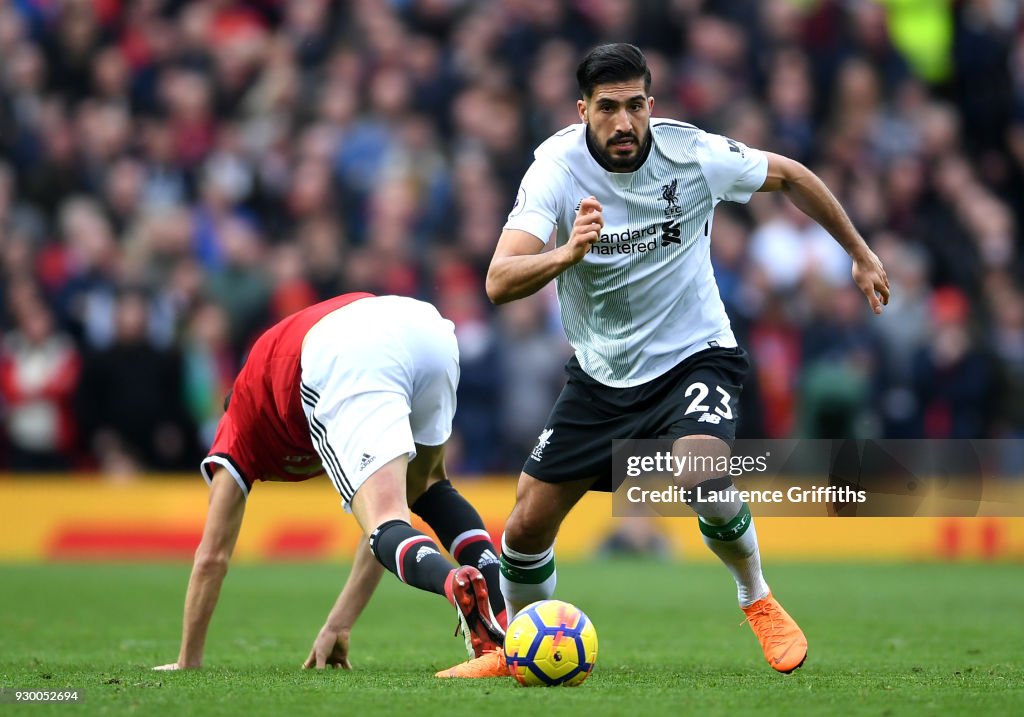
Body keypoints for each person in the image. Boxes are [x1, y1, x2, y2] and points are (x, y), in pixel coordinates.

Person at [468, 44, 890, 677]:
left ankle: (758, 597)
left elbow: (794, 176)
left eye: (635, 106)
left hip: (695, 357)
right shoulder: (554, 169)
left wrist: (859, 253)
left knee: (700, 470)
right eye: (607, 108)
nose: (623, 123)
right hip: (601, 374)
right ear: (583, 111)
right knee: (525, 527)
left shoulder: (692, 153)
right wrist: (564, 255)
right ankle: (512, 650)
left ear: (650, 106)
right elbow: (499, 280)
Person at [153, 293, 507, 676]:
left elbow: (212, 558)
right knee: (427, 486)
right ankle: (507, 627)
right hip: (423, 326)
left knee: (384, 518)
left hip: (344, 350)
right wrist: (339, 623)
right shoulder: (263, 377)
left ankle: (453, 583)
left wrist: (188, 660)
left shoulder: (238, 424)